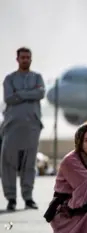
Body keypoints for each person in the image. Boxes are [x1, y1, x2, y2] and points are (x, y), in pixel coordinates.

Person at [1, 47, 44, 211]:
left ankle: (28, 198)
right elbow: (9, 98)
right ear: (17, 59)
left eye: (28, 57)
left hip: (32, 127)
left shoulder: (37, 77)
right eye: (23, 57)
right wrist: (29, 93)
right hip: (12, 127)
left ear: (31, 59)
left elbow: (40, 93)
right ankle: (11, 198)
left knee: (29, 164)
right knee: (8, 163)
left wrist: (21, 93)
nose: (25, 60)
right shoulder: (9, 79)